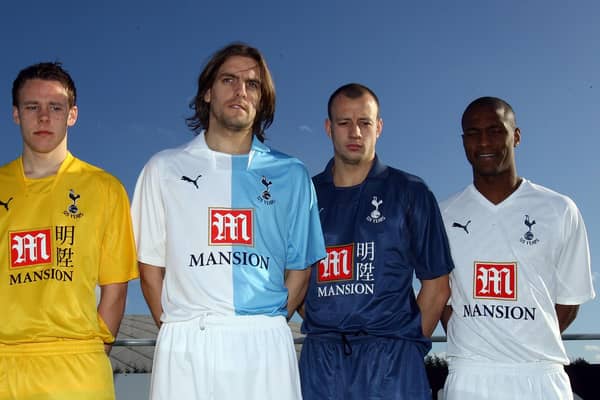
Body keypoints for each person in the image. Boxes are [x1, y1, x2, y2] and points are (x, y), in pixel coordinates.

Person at [131, 43, 326, 400]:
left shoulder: (292, 174)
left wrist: (266, 325)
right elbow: (149, 269)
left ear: (263, 100)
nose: (240, 91)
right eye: (229, 80)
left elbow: (301, 268)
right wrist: (179, 328)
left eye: (252, 84)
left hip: (265, 341)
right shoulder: (163, 169)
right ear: (208, 92)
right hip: (188, 338)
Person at [299, 83, 454, 399]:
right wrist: (329, 323)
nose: (355, 132)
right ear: (329, 128)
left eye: (365, 123)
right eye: (344, 123)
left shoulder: (411, 192)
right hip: (321, 363)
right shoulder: (304, 196)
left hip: (391, 362)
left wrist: (405, 346)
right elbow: (295, 279)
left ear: (379, 127)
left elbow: (437, 286)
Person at [440, 96, 596, 400]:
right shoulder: (443, 215)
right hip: (470, 376)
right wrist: (474, 338)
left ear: (517, 136)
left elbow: (569, 300)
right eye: (473, 133)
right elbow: (440, 296)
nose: (484, 141)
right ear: (463, 142)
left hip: (541, 377)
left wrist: (527, 339)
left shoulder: (559, 209)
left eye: (496, 130)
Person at [0, 62, 138, 400]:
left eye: (55, 107)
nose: (44, 117)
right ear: (16, 114)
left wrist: (90, 353)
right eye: (32, 107)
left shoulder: (105, 188)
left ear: (72, 114)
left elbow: (115, 291)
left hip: (78, 367)